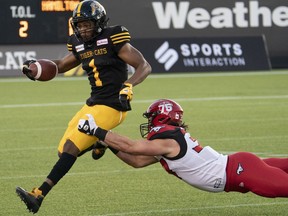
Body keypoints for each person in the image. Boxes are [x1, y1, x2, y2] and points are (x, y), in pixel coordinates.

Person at [16, 0, 151, 214]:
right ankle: (102, 140)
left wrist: (128, 85)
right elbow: (60, 65)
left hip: (113, 106)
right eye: (79, 25)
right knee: (63, 152)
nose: (83, 29)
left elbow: (144, 65)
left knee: (72, 147)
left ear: (98, 22)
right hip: (93, 103)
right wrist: (36, 67)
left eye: (87, 24)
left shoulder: (113, 37)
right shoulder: (79, 44)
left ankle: (38, 194)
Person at [78, 99, 288, 198]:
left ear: (161, 117)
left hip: (240, 170)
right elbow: (137, 161)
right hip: (238, 167)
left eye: (152, 118)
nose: (150, 123)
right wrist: (109, 144)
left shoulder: (169, 141)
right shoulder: (166, 145)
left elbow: (132, 146)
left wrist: (97, 130)